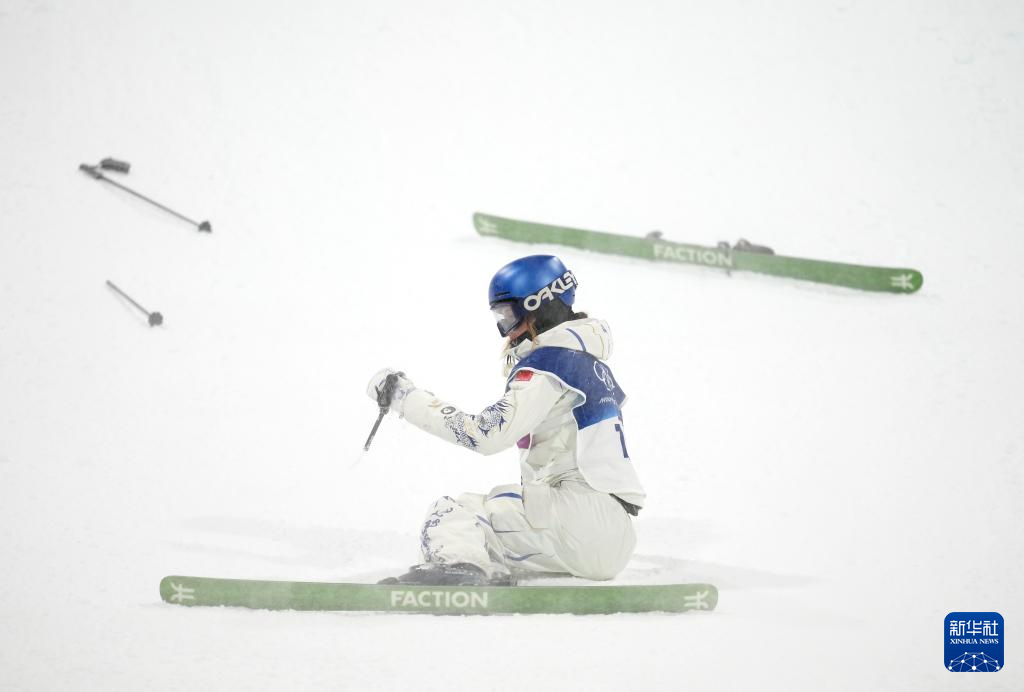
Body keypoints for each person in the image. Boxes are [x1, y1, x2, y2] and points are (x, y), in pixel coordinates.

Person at [366, 255, 645, 586]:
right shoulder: (590, 366)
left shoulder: (549, 365)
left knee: (455, 513)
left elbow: (486, 434)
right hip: (613, 531)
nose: (506, 331)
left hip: (575, 519)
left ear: (540, 305)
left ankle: (458, 571)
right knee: (495, 526)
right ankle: (482, 567)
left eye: (509, 315)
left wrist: (405, 397)